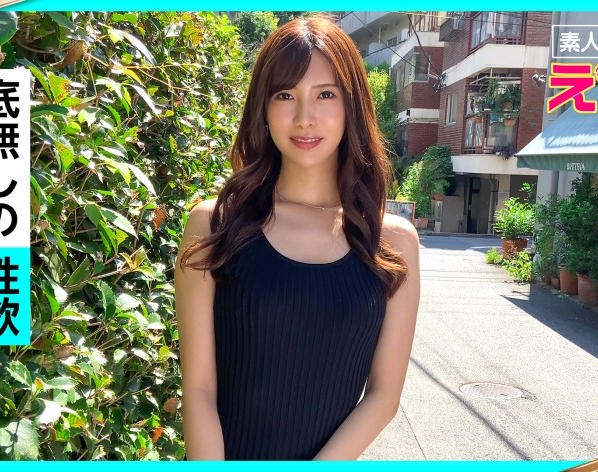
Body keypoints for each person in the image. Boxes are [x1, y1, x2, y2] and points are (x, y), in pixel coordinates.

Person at [174, 15, 421, 461]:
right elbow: (199, 389)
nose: (305, 118)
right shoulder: (215, 225)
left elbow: (383, 396)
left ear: (352, 106)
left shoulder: (392, 242)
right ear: (263, 109)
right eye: (285, 95)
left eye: (325, 94)